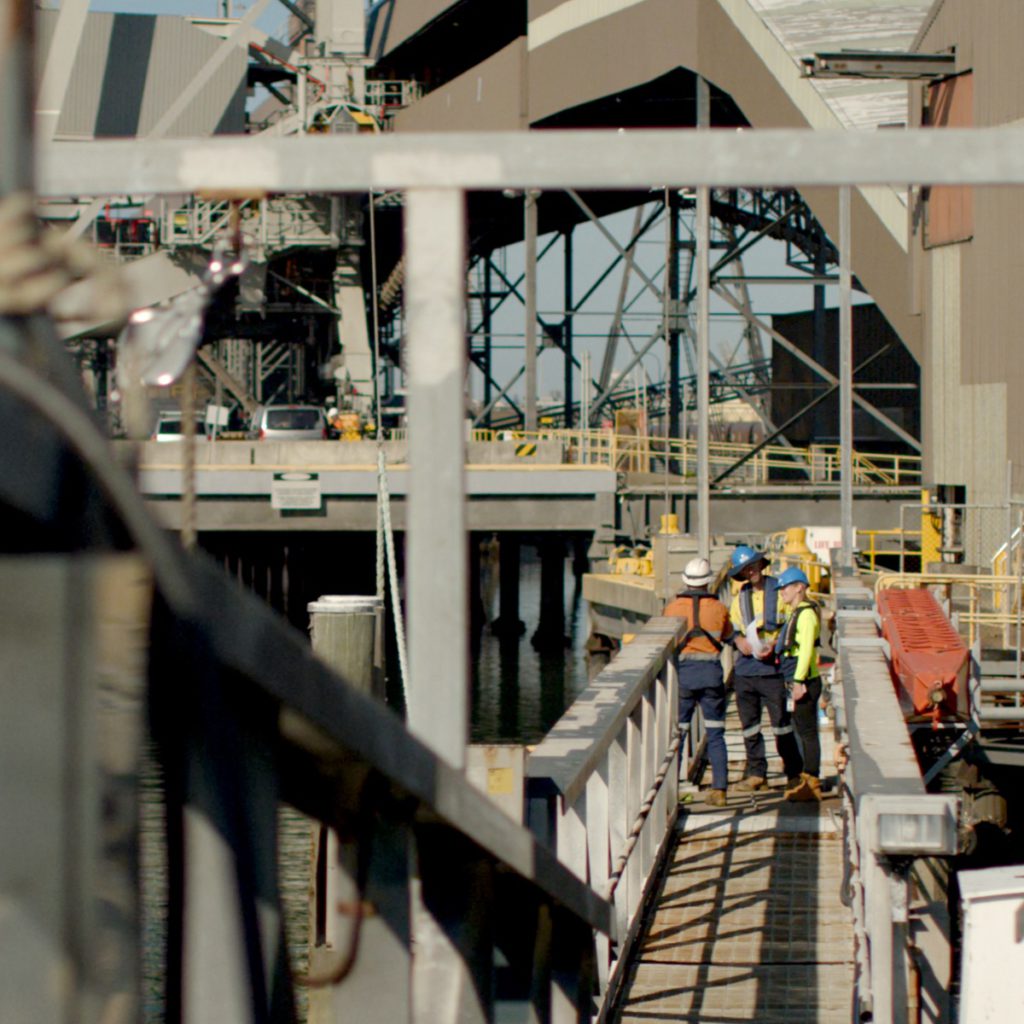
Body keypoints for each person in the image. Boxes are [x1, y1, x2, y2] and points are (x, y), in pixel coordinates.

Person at [727, 545, 814, 801]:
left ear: (760, 566)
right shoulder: (739, 598)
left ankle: (794, 772)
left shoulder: (780, 591)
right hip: (746, 670)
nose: (751, 571)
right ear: (742, 573)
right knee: (749, 726)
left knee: (782, 726)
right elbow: (731, 626)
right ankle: (757, 773)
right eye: (745, 569)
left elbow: (793, 621)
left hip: (774, 670)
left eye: (753, 566)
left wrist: (776, 645)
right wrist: (738, 640)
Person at [663, 557, 733, 807]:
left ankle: (673, 789)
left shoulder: (672, 609)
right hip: (712, 676)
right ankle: (720, 790)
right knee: (715, 732)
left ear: (685, 581)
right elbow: (729, 635)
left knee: (678, 733)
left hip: (683, 677)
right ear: (707, 582)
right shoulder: (719, 608)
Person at [775, 566, 823, 800]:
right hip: (796, 678)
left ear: (799, 588)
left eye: (785, 587)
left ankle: (811, 781)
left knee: (807, 733)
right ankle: (806, 778)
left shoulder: (806, 615)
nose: (781, 591)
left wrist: (797, 681)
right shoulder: (796, 613)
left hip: (804, 680)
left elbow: (805, 652)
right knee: (801, 731)